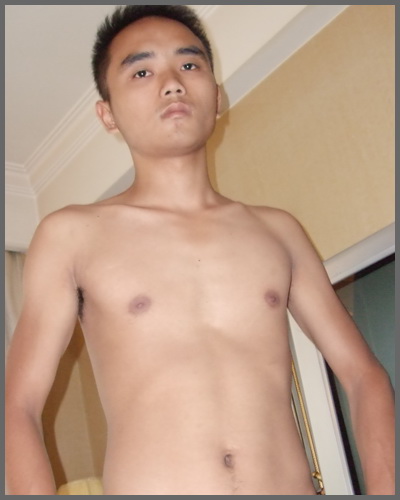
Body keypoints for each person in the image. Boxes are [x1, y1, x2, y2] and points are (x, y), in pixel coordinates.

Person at [5, 5, 394, 495]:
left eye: (189, 64)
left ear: (217, 94)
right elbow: (18, 405)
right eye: (142, 71)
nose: (172, 83)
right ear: (107, 114)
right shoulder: (71, 235)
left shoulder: (278, 231)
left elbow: (363, 375)